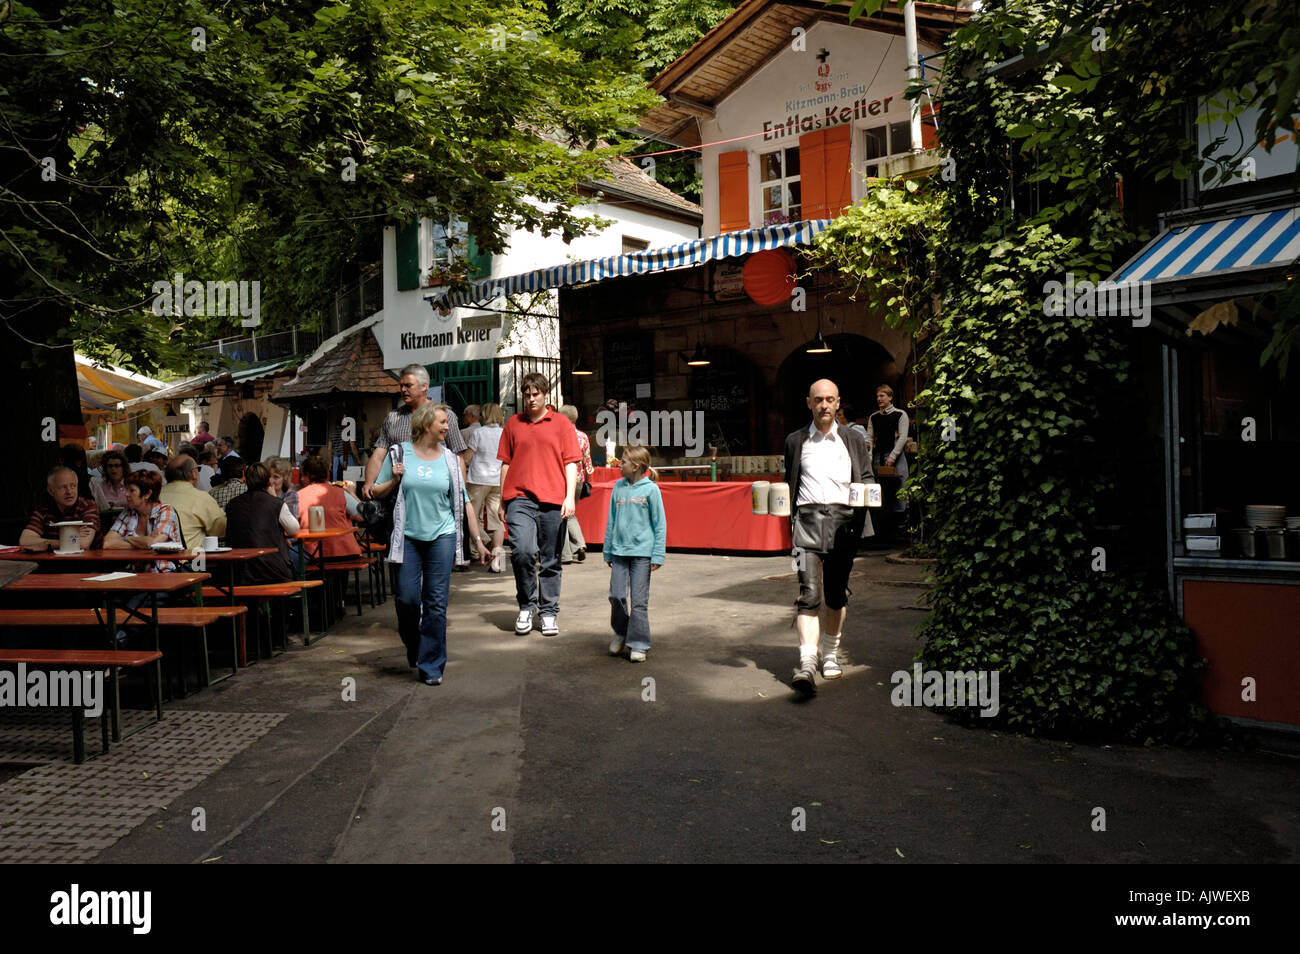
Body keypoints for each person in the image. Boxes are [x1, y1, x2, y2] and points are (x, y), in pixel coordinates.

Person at [372, 403, 489, 685]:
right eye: (443, 423)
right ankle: (415, 645)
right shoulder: (399, 453)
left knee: (435, 604)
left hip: (442, 536)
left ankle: (431, 665)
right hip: (408, 537)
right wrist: (395, 479)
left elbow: (464, 503)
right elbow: (375, 489)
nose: (448, 427)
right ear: (426, 425)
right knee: (407, 599)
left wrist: (478, 541)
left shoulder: (450, 459)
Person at [785, 378, 874, 694]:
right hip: (806, 524)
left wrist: (865, 507)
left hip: (843, 524)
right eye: (818, 399)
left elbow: (866, 478)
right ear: (808, 403)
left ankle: (831, 654)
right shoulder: (796, 441)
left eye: (830, 399)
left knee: (836, 594)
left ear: (839, 403)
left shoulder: (852, 439)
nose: (824, 404)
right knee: (808, 594)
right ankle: (807, 662)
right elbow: (789, 482)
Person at [496, 372, 580, 637]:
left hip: (554, 499)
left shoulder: (561, 423)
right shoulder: (513, 423)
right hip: (520, 497)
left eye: (536, 394)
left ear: (546, 395)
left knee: (551, 559)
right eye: (527, 395)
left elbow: (571, 462)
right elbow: (505, 463)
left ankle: (548, 612)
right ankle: (526, 605)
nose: (531, 399)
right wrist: (502, 498)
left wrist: (569, 497)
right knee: (522, 551)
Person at [362, 364, 471, 500]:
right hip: (398, 497)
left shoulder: (445, 416)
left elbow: (457, 457)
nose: (403, 390)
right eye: (401, 386)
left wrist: (460, 495)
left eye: (408, 385)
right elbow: (378, 455)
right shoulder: (393, 418)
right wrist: (369, 482)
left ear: (424, 386)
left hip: (435, 496)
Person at [604, 446, 666, 663]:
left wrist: (658, 555)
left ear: (635, 467)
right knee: (616, 595)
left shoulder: (651, 490)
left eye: (623, 462)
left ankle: (638, 643)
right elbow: (611, 520)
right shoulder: (617, 488)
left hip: (642, 554)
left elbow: (660, 524)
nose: (619, 465)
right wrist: (608, 550)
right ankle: (621, 632)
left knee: (639, 601)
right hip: (619, 552)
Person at [225, 462, 298, 585]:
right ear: (268, 481)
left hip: (239, 573)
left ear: (245, 480)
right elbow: (294, 529)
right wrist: (275, 497)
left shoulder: (232, 504)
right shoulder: (276, 504)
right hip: (273, 571)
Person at [103, 469, 182, 572]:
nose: (126, 494)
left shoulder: (166, 511)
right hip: (134, 573)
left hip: (164, 572)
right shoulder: (128, 513)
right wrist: (143, 542)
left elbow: (154, 543)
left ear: (147, 494)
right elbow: (107, 543)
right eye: (126, 490)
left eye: (131, 490)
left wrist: (125, 538)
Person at [464, 402, 506, 572]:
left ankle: (483, 543)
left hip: (478, 479)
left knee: (472, 516)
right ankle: (498, 562)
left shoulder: (478, 433)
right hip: (497, 480)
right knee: (497, 521)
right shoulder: (504, 433)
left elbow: (468, 457)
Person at [20, 466, 101, 551]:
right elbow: (25, 541)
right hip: (54, 562)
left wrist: (45, 544)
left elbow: (83, 544)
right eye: (62, 487)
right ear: (51, 491)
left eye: (73, 486)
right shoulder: (43, 510)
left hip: (86, 562)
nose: (69, 492)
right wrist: (69, 538)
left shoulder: (88, 506)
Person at [866, 384, 910, 540]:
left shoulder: (900, 414)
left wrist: (893, 456)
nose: (879, 399)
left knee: (899, 489)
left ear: (890, 397)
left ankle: (899, 528)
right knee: (881, 490)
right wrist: (870, 455)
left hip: (895, 458)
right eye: (877, 396)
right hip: (878, 457)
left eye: (882, 396)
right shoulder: (874, 417)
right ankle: (882, 529)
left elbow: (902, 437)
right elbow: (869, 438)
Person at [296, 455, 362, 557]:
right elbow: (361, 516)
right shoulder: (340, 492)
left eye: (302, 475)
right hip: (345, 551)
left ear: (308, 476)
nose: (301, 479)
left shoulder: (298, 496)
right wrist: (352, 493)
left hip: (313, 554)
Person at [160, 454, 227, 548]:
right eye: (197, 469)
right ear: (193, 474)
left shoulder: (156, 495)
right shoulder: (201, 498)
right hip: (191, 560)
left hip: (155, 559)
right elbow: (220, 530)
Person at [558, 404, 593, 564]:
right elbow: (588, 463)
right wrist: (588, 480)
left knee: (561, 515)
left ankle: (565, 554)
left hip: (562, 480)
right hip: (579, 480)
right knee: (570, 512)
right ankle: (579, 544)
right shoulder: (583, 436)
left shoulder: (559, 435)